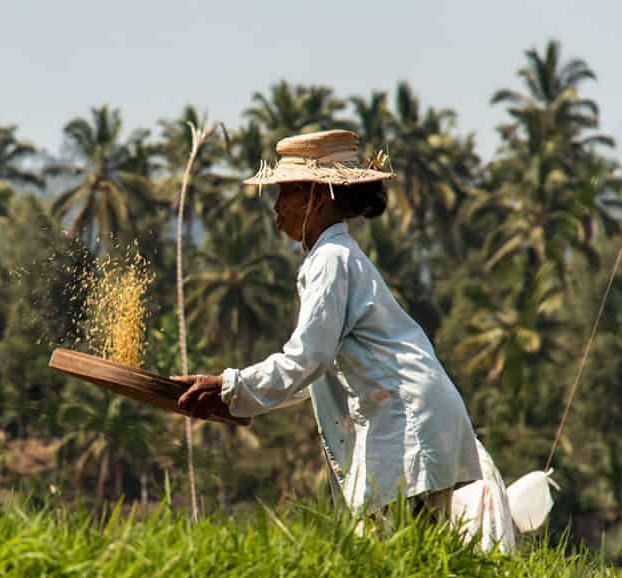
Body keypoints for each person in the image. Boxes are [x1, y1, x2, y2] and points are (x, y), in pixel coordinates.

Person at [173, 129, 489, 520]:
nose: (276, 207)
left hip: (404, 420)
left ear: (317, 198)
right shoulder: (334, 255)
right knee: (410, 559)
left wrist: (230, 386)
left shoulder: (330, 259)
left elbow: (308, 359)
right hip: (413, 415)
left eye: (285, 193)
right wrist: (234, 395)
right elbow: (314, 372)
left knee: (394, 555)